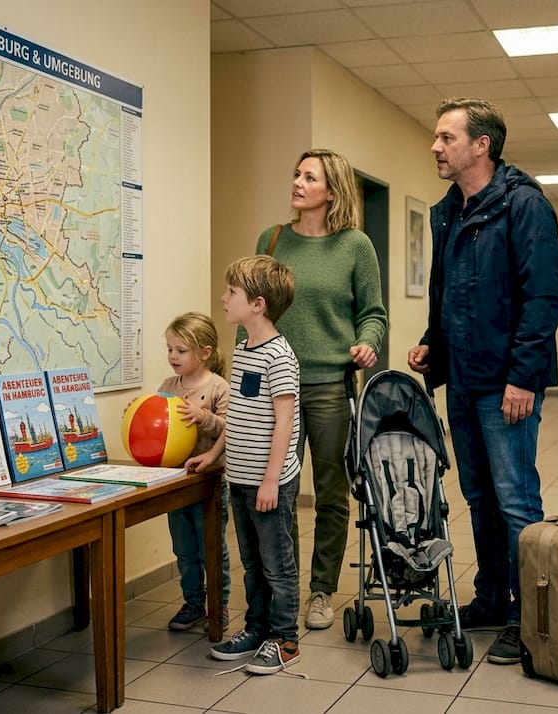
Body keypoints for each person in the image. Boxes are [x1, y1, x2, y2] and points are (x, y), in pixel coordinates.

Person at [406, 97, 558, 666]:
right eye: (437, 136)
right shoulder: (448, 210)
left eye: (447, 137)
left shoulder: (525, 206)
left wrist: (524, 377)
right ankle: (493, 597)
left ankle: (531, 618)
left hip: (506, 387)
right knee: (478, 497)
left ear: (482, 146)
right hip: (465, 383)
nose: (435, 146)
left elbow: (543, 298)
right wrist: (434, 346)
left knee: (517, 500)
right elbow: (447, 293)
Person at [254, 148, 387, 631]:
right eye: (296, 174)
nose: (297, 182)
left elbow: (373, 313)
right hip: (275, 389)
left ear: (331, 191)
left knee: (331, 493)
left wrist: (367, 343)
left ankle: (322, 591)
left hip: (331, 386)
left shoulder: (356, 246)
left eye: (309, 177)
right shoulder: (271, 240)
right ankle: (283, 588)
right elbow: (254, 313)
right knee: (279, 492)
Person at [190, 255, 303, 675]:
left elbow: (284, 423)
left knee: (278, 562)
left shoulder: (280, 356)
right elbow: (237, 416)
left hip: (268, 482)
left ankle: (285, 637)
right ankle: (256, 628)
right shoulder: (241, 351)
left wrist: (271, 480)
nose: (223, 298)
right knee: (252, 561)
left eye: (231, 292)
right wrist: (215, 453)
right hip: (239, 478)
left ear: (257, 304)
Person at [157, 312, 231, 632]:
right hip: (177, 482)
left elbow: (230, 429)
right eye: (170, 349)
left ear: (205, 353)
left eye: (181, 350)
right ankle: (192, 602)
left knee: (211, 547)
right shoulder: (167, 386)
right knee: (184, 548)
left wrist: (204, 416)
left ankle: (219, 603)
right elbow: (156, 423)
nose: (173, 356)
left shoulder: (218, 388)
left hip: (210, 482)